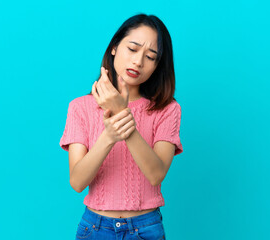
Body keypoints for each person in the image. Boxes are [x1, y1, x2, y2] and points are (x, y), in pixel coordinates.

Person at [59, 13, 183, 240]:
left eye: (151, 56)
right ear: (115, 47)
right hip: (95, 228)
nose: (138, 61)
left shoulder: (167, 109)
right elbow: (77, 181)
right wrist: (109, 135)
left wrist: (121, 114)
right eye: (133, 49)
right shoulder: (80, 108)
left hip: (145, 228)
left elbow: (156, 175)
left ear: (157, 65)